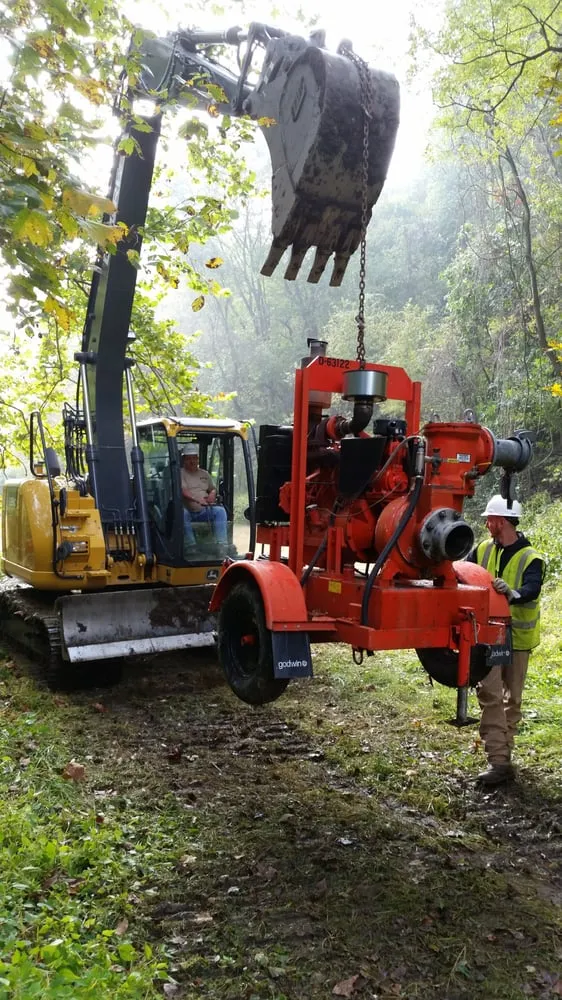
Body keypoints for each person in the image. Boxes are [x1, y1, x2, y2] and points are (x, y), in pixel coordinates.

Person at [467, 494, 546, 786]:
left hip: (518, 639)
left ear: (500, 521)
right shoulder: (482, 549)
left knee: (512, 700)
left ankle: (504, 755)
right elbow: (461, 572)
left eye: (489, 520)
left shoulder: (532, 558)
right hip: (489, 636)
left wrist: (512, 593)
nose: (486, 525)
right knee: (490, 695)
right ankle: (499, 760)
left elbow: (532, 588)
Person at [180, 443, 228, 551]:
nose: (192, 461)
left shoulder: (204, 474)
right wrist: (197, 499)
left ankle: (222, 545)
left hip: (203, 511)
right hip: (187, 511)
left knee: (220, 511)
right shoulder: (180, 473)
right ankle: (191, 546)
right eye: (189, 459)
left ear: (198, 459)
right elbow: (183, 491)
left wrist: (212, 494)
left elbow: (213, 488)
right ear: (184, 460)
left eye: (194, 458)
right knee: (182, 513)